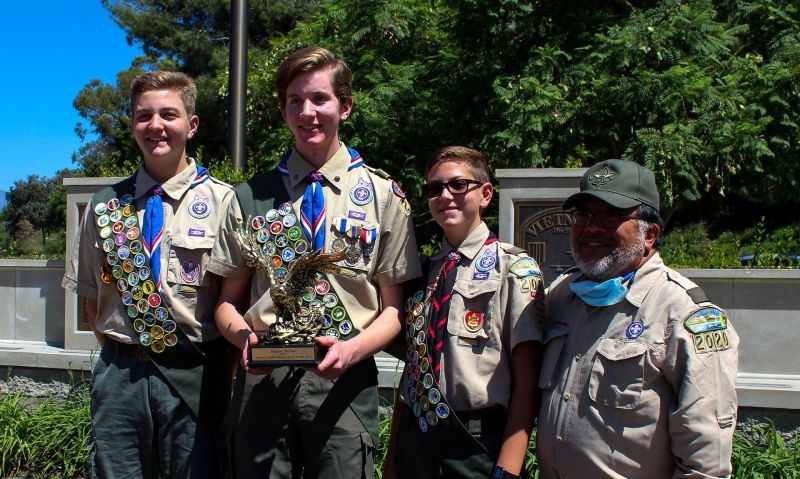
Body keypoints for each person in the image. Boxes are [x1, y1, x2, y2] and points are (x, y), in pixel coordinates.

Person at [208, 47, 421, 478]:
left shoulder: (382, 196)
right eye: (295, 101)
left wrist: (351, 350)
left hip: (344, 384)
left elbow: (395, 309)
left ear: (344, 106)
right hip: (262, 384)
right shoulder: (250, 197)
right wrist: (244, 338)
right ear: (284, 111)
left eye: (320, 99)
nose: (308, 112)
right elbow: (225, 303)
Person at [62, 71, 236, 477]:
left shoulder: (225, 202)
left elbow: (234, 301)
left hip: (196, 375)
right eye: (144, 116)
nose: (155, 125)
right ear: (133, 125)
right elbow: (93, 299)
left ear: (191, 125)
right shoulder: (106, 207)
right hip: (120, 375)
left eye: (168, 114)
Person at [536, 159, 739, 478]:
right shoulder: (562, 296)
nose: (591, 227)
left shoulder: (684, 312)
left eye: (611, 216)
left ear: (650, 234)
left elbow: (706, 453)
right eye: (583, 215)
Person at [383, 146, 544, 479]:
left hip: (475, 441)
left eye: (458, 185)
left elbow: (527, 382)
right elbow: (412, 372)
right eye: (434, 188)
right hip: (417, 438)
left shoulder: (514, 269)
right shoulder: (423, 272)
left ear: (485, 194)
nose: (445, 195)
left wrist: (508, 468)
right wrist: (393, 460)